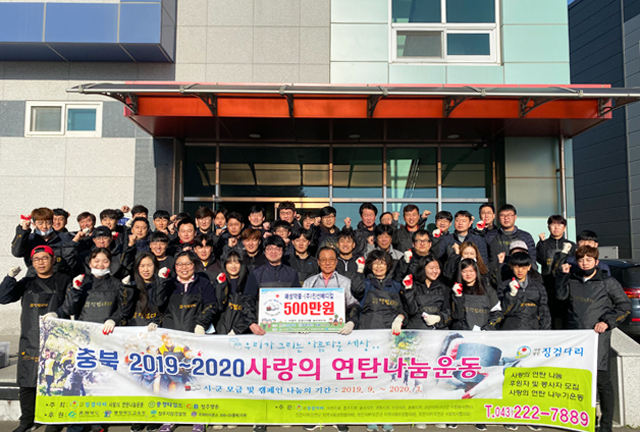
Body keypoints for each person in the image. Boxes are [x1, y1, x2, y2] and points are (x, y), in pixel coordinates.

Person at [556, 246, 631, 432]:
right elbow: (560, 296)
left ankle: (606, 426)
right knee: (579, 382)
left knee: (602, 382)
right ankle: (586, 421)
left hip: (597, 338)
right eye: (581, 260)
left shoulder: (607, 282)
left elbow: (624, 306)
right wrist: (562, 275)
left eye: (588, 260)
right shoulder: (572, 280)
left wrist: (607, 322)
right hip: (576, 339)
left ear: (596, 262)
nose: (584, 263)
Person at [0, 245, 70, 432]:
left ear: (53, 260)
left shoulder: (63, 280)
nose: (41, 262)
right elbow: (3, 298)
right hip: (30, 338)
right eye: (36, 259)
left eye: (45, 258)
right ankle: (26, 420)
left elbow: (72, 303)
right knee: (27, 381)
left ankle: (54, 421)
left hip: (56, 339)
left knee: (55, 380)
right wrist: (9, 278)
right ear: (32, 262)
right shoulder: (27, 282)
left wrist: (59, 313)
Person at [360, 250, 405, 432]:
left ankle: (387, 415)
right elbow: (356, 302)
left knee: (389, 377)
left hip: (390, 338)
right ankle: (370, 415)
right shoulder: (364, 283)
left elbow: (405, 307)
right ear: (370, 265)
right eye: (375, 262)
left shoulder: (395, 285)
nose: (379, 266)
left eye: (383, 263)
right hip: (368, 336)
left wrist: (400, 317)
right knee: (370, 377)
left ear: (388, 266)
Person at [53, 248, 135, 331]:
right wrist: (75, 290)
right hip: (84, 330)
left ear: (110, 263)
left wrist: (114, 319)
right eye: (96, 261)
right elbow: (70, 309)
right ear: (90, 263)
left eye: (105, 261)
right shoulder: (82, 282)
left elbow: (124, 311)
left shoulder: (117, 284)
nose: (100, 264)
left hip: (108, 330)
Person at [245, 235, 300, 336]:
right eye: (269, 248)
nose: (273, 252)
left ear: (283, 251)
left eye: (277, 249)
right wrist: (251, 323)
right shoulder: (256, 273)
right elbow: (248, 300)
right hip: (262, 328)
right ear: (264, 251)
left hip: (287, 328)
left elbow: (298, 301)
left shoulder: (292, 274)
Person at [302, 246, 361, 334]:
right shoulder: (309, 282)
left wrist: (352, 322)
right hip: (313, 331)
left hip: (338, 330)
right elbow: (302, 307)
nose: (327, 263)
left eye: (331, 259)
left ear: (336, 261)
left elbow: (353, 305)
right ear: (318, 262)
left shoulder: (345, 282)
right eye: (323, 259)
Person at [160, 251, 220, 333]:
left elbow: (211, 305)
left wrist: (201, 324)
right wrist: (161, 282)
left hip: (195, 333)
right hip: (171, 333)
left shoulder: (203, 283)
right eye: (179, 264)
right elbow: (159, 302)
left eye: (188, 264)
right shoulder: (169, 284)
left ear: (194, 265)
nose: (184, 267)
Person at [536, 215, 576, 329]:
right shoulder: (543, 243)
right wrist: (542, 243)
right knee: (549, 315)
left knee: (564, 315)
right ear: (548, 227)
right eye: (553, 224)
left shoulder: (571, 245)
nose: (556, 227)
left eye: (560, 224)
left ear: (565, 227)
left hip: (565, 285)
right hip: (547, 284)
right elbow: (541, 260)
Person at [11, 207, 72, 276]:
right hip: (34, 277)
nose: (44, 226)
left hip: (59, 276)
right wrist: (23, 231)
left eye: (48, 223)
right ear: (34, 224)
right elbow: (17, 253)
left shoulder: (64, 237)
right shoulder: (30, 238)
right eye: (40, 223)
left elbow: (71, 260)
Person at [498, 252, 551, 331]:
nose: (520, 270)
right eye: (516, 267)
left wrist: (545, 331)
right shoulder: (504, 286)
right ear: (511, 266)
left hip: (532, 329)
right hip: (511, 329)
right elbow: (504, 311)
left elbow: (544, 311)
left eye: (523, 267)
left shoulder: (538, 287)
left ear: (529, 267)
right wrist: (511, 295)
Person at [63, 225, 136, 279]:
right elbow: (69, 261)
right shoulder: (86, 256)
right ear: (93, 240)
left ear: (111, 239)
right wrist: (75, 240)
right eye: (98, 238)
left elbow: (126, 268)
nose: (101, 241)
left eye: (105, 238)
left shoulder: (119, 255)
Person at [451, 258, 503, 331]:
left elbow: (497, 313)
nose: (468, 274)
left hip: (483, 333)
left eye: (471, 271)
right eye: (464, 271)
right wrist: (458, 296)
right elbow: (457, 316)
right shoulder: (456, 290)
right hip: (463, 332)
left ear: (476, 272)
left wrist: (488, 327)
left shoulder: (488, 291)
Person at [400, 255, 451, 330]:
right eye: (431, 268)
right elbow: (411, 310)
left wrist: (439, 318)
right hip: (417, 328)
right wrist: (408, 290)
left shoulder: (444, 288)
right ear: (423, 268)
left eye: (437, 268)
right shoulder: (415, 286)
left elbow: (449, 312)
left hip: (438, 330)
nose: (435, 271)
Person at [215, 251, 252, 335]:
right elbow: (219, 305)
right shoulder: (219, 282)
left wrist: (236, 330)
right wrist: (221, 286)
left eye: (236, 262)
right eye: (229, 262)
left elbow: (250, 310)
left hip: (241, 332)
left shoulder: (248, 283)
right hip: (220, 330)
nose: (233, 266)